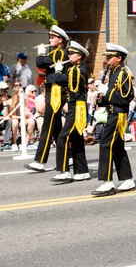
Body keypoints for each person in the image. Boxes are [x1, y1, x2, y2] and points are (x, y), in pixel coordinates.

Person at [91, 43, 136, 196]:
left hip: (118, 114)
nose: (108, 60)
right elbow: (112, 97)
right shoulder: (114, 72)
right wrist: (101, 100)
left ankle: (107, 182)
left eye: (111, 57)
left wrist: (106, 91)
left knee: (106, 145)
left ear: (119, 58)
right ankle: (127, 179)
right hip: (112, 112)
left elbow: (125, 97)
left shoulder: (124, 73)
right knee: (117, 147)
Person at [25, 25, 68, 172]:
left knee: (47, 125)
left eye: (53, 37)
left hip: (56, 92)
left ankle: (40, 160)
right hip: (52, 90)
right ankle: (67, 158)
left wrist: (40, 54)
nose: (50, 39)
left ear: (60, 40)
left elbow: (40, 63)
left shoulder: (60, 53)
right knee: (55, 127)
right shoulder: (56, 52)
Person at [50, 41, 91, 183]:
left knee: (62, 137)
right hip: (77, 106)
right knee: (76, 138)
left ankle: (64, 171)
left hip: (77, 108)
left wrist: (58, 70)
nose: (69, 55)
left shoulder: (76, 70)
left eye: (72, 53)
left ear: (79, 56)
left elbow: (60, 80)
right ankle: (82, 171)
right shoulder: (78, 68)